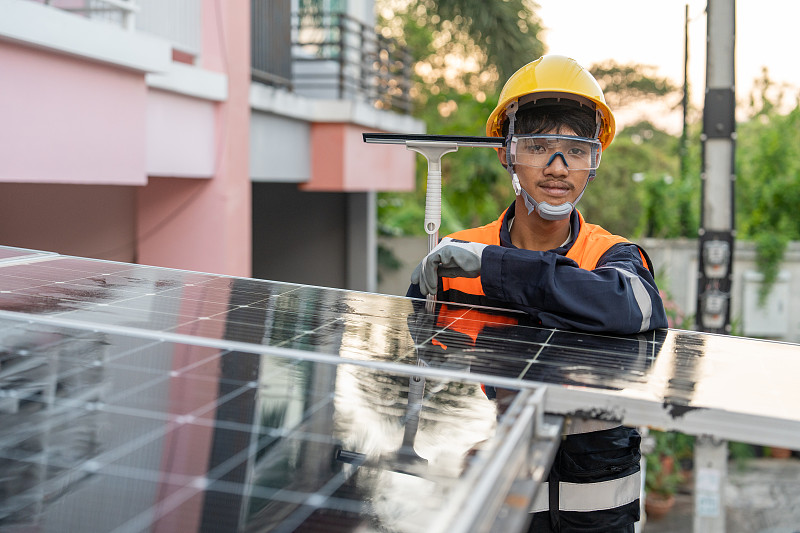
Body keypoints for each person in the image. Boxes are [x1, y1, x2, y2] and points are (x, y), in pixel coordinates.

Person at [406, 55, 669, 532]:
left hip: (597, 511)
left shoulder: (612, 256)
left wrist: (498, 270)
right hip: (495, 495)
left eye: (575, 149)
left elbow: (635, 307)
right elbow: (422, 363)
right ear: (505, 152)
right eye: (538, 146)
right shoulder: (456, 259)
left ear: (594, 160)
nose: (557, 167)